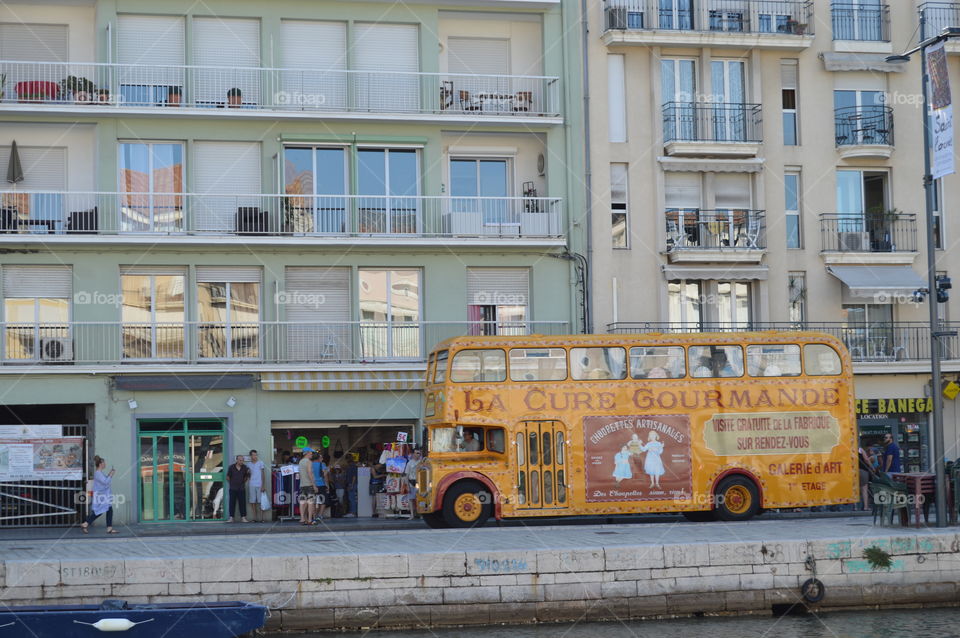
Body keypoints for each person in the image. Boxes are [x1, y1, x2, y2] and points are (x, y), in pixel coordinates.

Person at [81, 455, 117, 534]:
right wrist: (111, 474)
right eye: (104, 463)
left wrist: (109, 474)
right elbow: (106, 482)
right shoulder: (98, 473)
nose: (105, 464)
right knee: (99, 511)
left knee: (108, 509)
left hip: (103, 496)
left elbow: (105, 481)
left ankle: (109, 528)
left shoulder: (100, 473)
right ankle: (86, 523)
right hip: (101, 496)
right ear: (100, 464)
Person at [226, 454, 250, 523]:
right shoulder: (231, 467)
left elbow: (246, 477)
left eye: (242, 460)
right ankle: (231, 518)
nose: (241, 461)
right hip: (233, 488)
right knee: (232, 503)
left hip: (241, 488)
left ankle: (243, 518)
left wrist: (242, 482)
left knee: (242, 503)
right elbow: (227, 477)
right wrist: (232, 483)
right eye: (240, 460)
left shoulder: (245, 467)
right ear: (236, 460)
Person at [246, 449, 267, 523]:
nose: (255, 456)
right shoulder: (248, 464)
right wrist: (248, 473)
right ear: (250, 456)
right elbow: (247, 475)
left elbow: (263, 474)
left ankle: (262, 518)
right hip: (251, 484)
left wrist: (263, 485)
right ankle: (254, 517)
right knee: (252, 501)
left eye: (256, 455)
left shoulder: (260, 463)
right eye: (253, 455)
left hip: (259, 484)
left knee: (261, 502)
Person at [298, 447, 317, 525]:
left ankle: (302, 519)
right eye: (311, 453)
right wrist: (314, 485)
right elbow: (310, 473)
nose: (312, 454)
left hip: (302, 485)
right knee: (310, 503)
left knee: (302, 502)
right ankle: (309, 520)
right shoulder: (309, 462)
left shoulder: (300, 462)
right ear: (307, 453)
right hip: (309, 485)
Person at [859, 446, 877, 511]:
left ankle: (855, 507)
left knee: (855, 490)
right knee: (864, 489)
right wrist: (872, 467)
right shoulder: (860, 449)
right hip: (862, 470)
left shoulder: (847, 450)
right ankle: (866, 507)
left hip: (852, 471)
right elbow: (866, 460)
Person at [313, 452, 330, 521]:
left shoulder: (310, 464)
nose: (322, 459)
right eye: (321, 458)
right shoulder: (322, 465)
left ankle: (314, 515)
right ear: (318, 458)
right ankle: (320, 515)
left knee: (313, 501)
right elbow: (325, 476)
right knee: (323, 500)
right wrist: (327, 485)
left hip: (312, 485)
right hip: (321, 484)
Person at [405, 450, 422, 518]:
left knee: (419, 499)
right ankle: (412, 514)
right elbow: (407, 475)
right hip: (411, 481)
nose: (418, 455)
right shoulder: (409, 463)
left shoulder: (421, 462)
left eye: (419, 453)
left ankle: (420, 514)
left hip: (419, 482)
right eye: (417, 453)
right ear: (413, 454)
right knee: (411, 499)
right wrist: (407, 486)